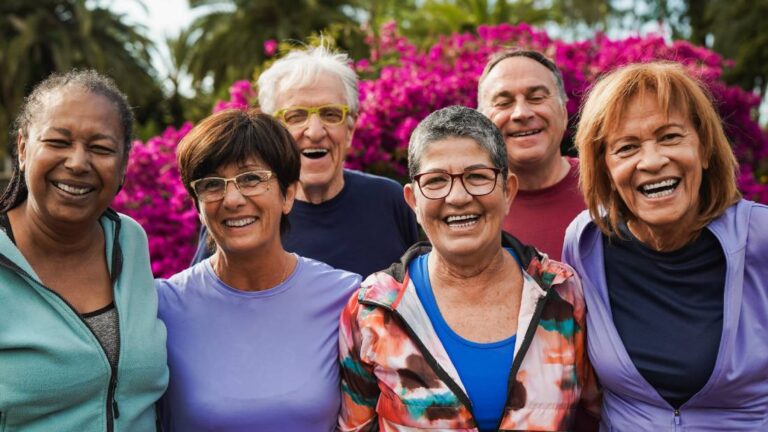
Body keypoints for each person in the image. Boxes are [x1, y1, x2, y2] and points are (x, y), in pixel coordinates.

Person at [339, 106, 600, 431]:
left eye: (477, 177)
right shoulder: (373, 310)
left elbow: (598, 415)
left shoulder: (561, 292)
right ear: (413, 201)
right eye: (435, 181)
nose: (458, 197)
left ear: (508, 191)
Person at [563, 62, 768, 430]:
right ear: (604, 167)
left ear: (704, 149)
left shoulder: (761, 237)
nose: (653, 161)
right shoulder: (586, 241)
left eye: (671, 137)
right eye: (627, 147)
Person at [157, 109, 361, 431]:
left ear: (288, 194)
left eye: (252, 178)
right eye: (212, 184)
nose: (232, 199)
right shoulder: (162, 306)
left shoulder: (345, 297)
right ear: (197, 206)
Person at [0, 70, 168, 430]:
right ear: (23, 148)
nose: (78, 162)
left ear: (123, 165)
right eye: (59, 142)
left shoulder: (129, 241)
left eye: (102, 148)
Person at [190, 45, 419, 276]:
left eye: (331, 114)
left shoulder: (388, 200)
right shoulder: (243, 214)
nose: (315, 131)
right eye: (296, 116)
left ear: (350, 129)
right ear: (270, 133)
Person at [477, 49, 584, 260]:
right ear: (482, 123)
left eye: (536, 98)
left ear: (563, 113)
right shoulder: (469, 205)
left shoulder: (608, 187)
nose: (521, 113)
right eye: (503, 103)